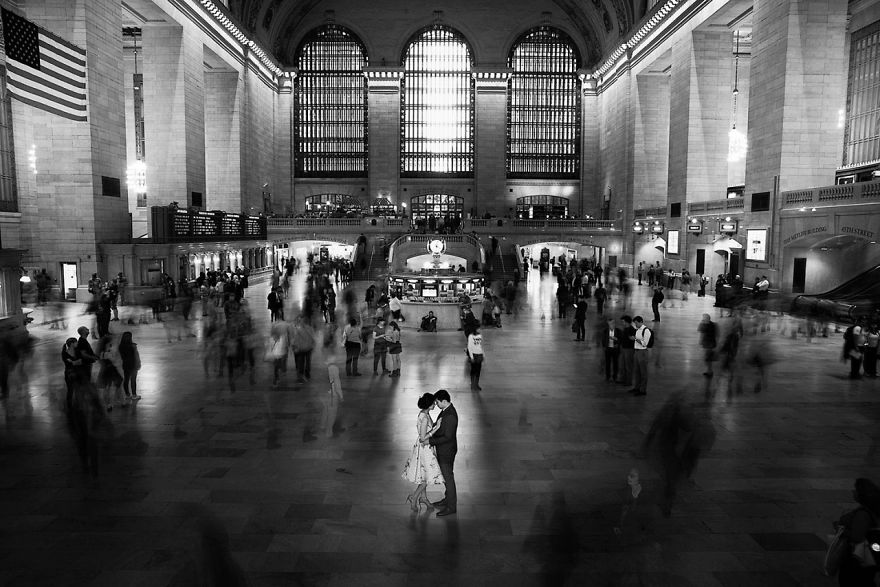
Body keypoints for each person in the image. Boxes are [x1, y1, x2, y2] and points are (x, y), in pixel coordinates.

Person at [402, 393, 445, 513]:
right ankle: (414, 497)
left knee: (423, 475)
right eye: (433, 403)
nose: (435, 405)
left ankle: (424, 498)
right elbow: (422, 438)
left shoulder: (424, 413)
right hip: (424, 449)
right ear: (429, 404)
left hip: (425, 448)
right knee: (427, 477)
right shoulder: (425, 417)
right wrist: (436, 428)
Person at [833, 478, 880, 586]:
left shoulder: (863, 514)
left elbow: (857, 537)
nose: (853, 492)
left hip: (857, 558)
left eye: (855, 490)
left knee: (853, 581)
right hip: (865, 558)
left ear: (861, 495)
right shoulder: (870, 510)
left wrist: (841, 529)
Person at [428, 389, 458, 517]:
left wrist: (431, 441)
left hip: (446, 451)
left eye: (437, 402)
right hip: (444, 450)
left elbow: (447, 437)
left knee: (448, 479)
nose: (436, 405)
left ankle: (451, 507)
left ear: (444, 401)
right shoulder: (446, 410)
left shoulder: (450, 415)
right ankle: (447, 499)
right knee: (447, 478)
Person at [629, 316, 652, 396]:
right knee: (636, 371)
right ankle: (637, 387)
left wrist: (635, 339)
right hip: (636, 351)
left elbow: (644, 344)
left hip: (643, 352)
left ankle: (643, 390)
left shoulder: (646, 331)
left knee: (643, 372)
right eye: (634, 323)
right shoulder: (637, 330)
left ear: (641, 322)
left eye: (636, 323)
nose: (635, 325)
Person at [117, 332, 141, 401]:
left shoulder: (121, 346)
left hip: (125, 364)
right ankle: (134, 395)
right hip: (133, 364)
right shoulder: (133, 346)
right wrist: (138, 363)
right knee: (133, 380)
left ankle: (127, 395)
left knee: (126, 379)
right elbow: (136, 355)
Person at [61, 337, 81, 411]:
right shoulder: (65, 353)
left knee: (75, 389)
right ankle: (70, 406)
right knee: (71, 390)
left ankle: (75, 405)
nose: (77, 343)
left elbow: (79, 361)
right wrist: (76, 362)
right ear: (72, 344)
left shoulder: (76, 351)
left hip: (74, 372)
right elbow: (76, 362)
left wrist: (73, 362)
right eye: (76, 342)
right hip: (70, 373)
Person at [602, 317, 622, 382]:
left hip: (615, 350)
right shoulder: (605, 331)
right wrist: (605, 346)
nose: (612, 325)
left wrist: (617, 342)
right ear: (608, 324)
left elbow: (621, 340)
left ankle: (615, 376)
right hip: (608, 350)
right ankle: (608, 376)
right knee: (607, 363)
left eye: (613, 323)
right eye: (610, 324)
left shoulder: (618, 331)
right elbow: (603, 340)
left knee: (615, 363)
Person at [466, 324, 484, 390]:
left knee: (478, 371)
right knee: (473, 370)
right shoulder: (471, 336)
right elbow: (469, 347)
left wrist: (483, 354)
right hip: (474, 355)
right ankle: (472, 384)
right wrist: (471, 357)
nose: (480, 329)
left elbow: (481, 346)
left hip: (479, 355)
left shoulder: (480, 336)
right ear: (476, 329)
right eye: (479, 328)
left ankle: (476, 384)